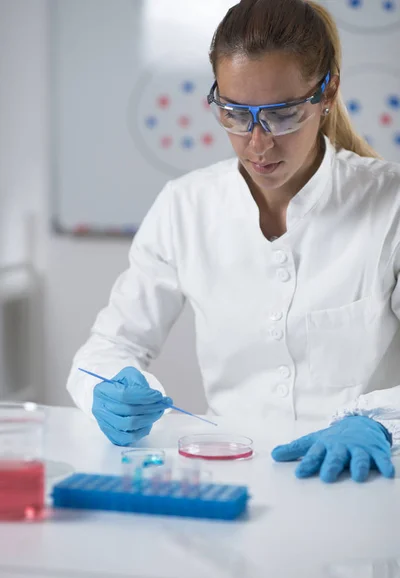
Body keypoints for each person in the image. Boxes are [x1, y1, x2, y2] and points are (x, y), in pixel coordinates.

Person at [67, 0, 400, 483]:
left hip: (364, 481)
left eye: (283, 115)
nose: (258, 143)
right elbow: (107, 348)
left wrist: (379, 422)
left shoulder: (389, 204)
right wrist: (108, 388)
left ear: (327, 93)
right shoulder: (187, 206)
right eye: (234, 113)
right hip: (232, 480)